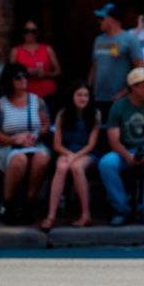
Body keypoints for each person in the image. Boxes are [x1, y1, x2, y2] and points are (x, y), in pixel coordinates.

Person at [98, 68, 144, 227]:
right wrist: (127, 156)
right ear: (133, 88)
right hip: (124, 151)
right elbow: (113, 140)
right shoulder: (118, 107)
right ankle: (121, 209)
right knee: (106, 163)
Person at [0, 62, 52, 223]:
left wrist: (34, 136)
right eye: (18, 77)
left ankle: (29, 201)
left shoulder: (37, 101)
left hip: (33, 144)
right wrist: (14, 139)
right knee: (19, 160)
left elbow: (46, 125)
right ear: (9, 80)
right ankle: (7, 203)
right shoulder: (0, 104)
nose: (23, 80)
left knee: (42, 157)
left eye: (25, 76)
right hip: (8, 147)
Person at [41, 81, 101, 230]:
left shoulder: (95, 114)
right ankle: (51, 216)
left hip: (86, 153)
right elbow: (57, 145)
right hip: (66, 151)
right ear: (72, 97)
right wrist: (70, 154)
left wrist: (75, 156)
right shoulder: (63, 114)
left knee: (76, 168)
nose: (83, 98)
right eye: (79, 95)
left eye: (86, 95)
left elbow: (91, 144)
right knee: (61, 168)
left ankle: (86, 215)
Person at [89, 2, 144, 121]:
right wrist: (88, 90)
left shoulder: (130, 39)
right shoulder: (98, 40)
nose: (99, 22)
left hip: (119, 99)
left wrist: (126, 92)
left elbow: (140, 69)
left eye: (102, 18)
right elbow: (94, 67)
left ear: (112, 20)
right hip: (98, 98)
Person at [9, 18, 62, 120]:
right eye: (26, 31)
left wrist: (45, 74)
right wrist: (28, 72)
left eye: (33, 31)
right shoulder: (15, 51)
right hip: (26, 93)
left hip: (48, 92)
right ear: (22, 32)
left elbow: (59, 71)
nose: (30, 34)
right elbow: (12, 73)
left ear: (38, 33)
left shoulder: (47, 49)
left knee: (48, 120)